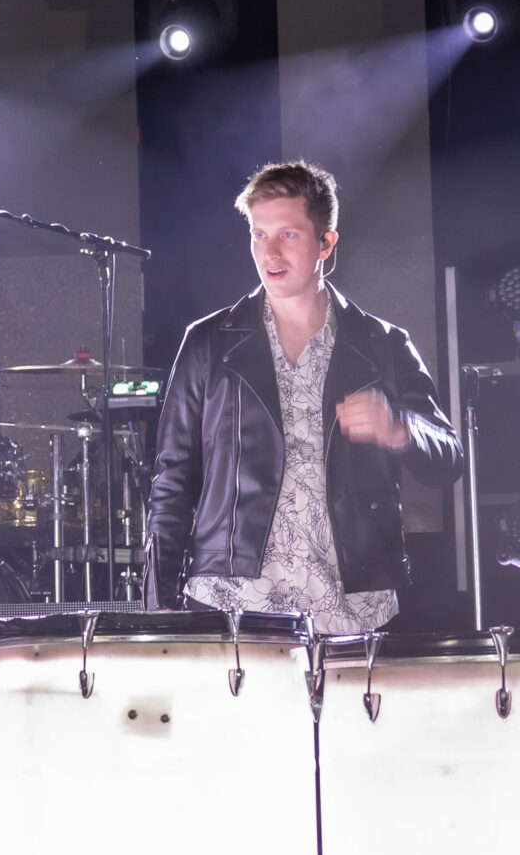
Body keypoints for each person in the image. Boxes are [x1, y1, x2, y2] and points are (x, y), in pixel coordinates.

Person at [145, 161, 460, 634]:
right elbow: (170, 481)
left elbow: (448, 459)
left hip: (354, 604)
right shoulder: (207, 343)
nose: (269, 251)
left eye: (288, 234)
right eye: (258, 235)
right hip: (232, 599)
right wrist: (159, 602)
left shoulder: (382, 344)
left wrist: (399, 429)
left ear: (326, 243)